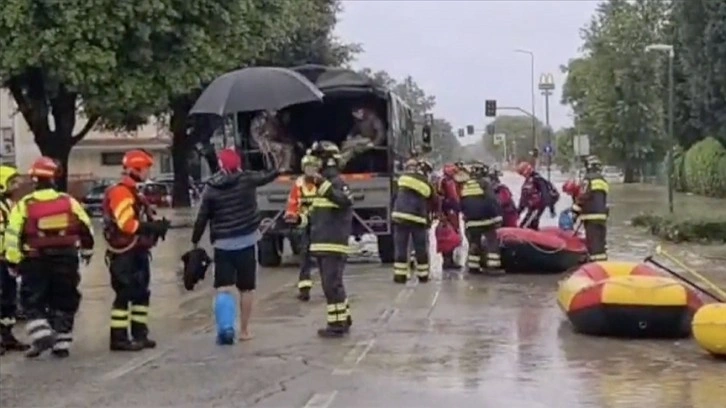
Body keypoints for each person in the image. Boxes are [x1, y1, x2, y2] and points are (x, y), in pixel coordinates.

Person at [4, 157, 94, 358]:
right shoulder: (68, 201)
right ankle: (61, 344)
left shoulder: (24, 204)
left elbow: (12, 235)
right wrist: (87, 251)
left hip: (35, 259)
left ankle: (42, 335)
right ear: (54, 178)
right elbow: (85, 227)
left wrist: (13, 261)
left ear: (35, 180)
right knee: (65, 299)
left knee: (32, 299)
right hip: (66, 258)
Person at [191, 148, 279, 344]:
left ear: (220, 165)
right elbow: (268, 176)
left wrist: (195, 240)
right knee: (246, 289)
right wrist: (276, 164)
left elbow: (202, 217)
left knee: (223, 288)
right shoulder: (246, 179)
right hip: (247, 242)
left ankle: (226, 327)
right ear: (238, 163)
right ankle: (245, 330)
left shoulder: (211, 187)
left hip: (222, 245)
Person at [103, 149, 170, 351]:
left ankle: (140, 334)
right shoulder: (121, 192)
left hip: (137, 250)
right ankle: (119, 338)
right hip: (124, 252)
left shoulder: (134, 191)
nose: (148, 173)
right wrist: (150, 228)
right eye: (146, 169)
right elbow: (126, 224)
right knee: (124, 294)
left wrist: (156, 226)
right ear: (135, 169)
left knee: (141, 293)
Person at [305, 141, 353, 338]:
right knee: (333, 284)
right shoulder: (325, 184)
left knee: (331, 285)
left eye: (317, 160)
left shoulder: (336, 183)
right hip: (323, 243)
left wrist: (322, 185)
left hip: (332, 244)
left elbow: (344, 201)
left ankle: (336, 325)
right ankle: (344, 318)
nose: (313, 164)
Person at [391, 159, 436, 284]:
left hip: (400, 217)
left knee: (400, 247)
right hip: (417, 219)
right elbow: (433, 198)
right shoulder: (424, 181)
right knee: (420, 248)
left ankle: (400, 276)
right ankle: (423, 276)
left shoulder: (401, 179)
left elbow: (394, 197)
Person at [284, 153, 322, 301]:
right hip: (306, 223)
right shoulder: (299, 184)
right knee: (304, 254)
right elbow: (293, 202)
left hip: (321, 224)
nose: (310, 171)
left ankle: (328, 286)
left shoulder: (322, 183)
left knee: (324, 258)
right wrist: (292, 215)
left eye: (312, 168)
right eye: (307, 168)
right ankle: (304, 289)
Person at [0, 165, 29, 354]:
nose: (17, 185)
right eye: (13, 182)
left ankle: (7, 336)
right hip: (1, 258)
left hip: (7, 259)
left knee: (8, 300)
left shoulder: (10, 205)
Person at [459, 163, 503, 275]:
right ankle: (493, 267)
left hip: (471, 221)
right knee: (492, 241)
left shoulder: (466, 185)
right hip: (486, 220)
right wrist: (498, 217)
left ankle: (473, 267)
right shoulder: (485, 184)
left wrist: (466, 217)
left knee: (474, 243)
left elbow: (462, 203)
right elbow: (492, 200)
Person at [572, 156, 609, 261]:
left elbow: (583, 196)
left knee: (593, 244)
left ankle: (593, 266)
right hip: (602, 217)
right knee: (601, 244)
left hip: (591, 217)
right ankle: (604, 265)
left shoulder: (588, 179)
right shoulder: (603, 181)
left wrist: (574, 212)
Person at [516, 161, 555, 230]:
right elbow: (523, 199)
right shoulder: (528, 182)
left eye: (522, 173)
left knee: (528, 225)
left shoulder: (538, 179)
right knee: (526, 225)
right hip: (532, 208)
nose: (523, 175)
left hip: (537, 207)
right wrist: (518, 212)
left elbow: (545, 194)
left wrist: (551, 209)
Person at [438, 163, 462, 269]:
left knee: (452, 235)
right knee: (448, 236)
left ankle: (449, 260)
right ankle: (447, 261)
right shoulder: (444, 182)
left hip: (452, 211)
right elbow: (441, 198)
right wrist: (442, 214)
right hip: (448, 212)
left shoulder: (451, 181)